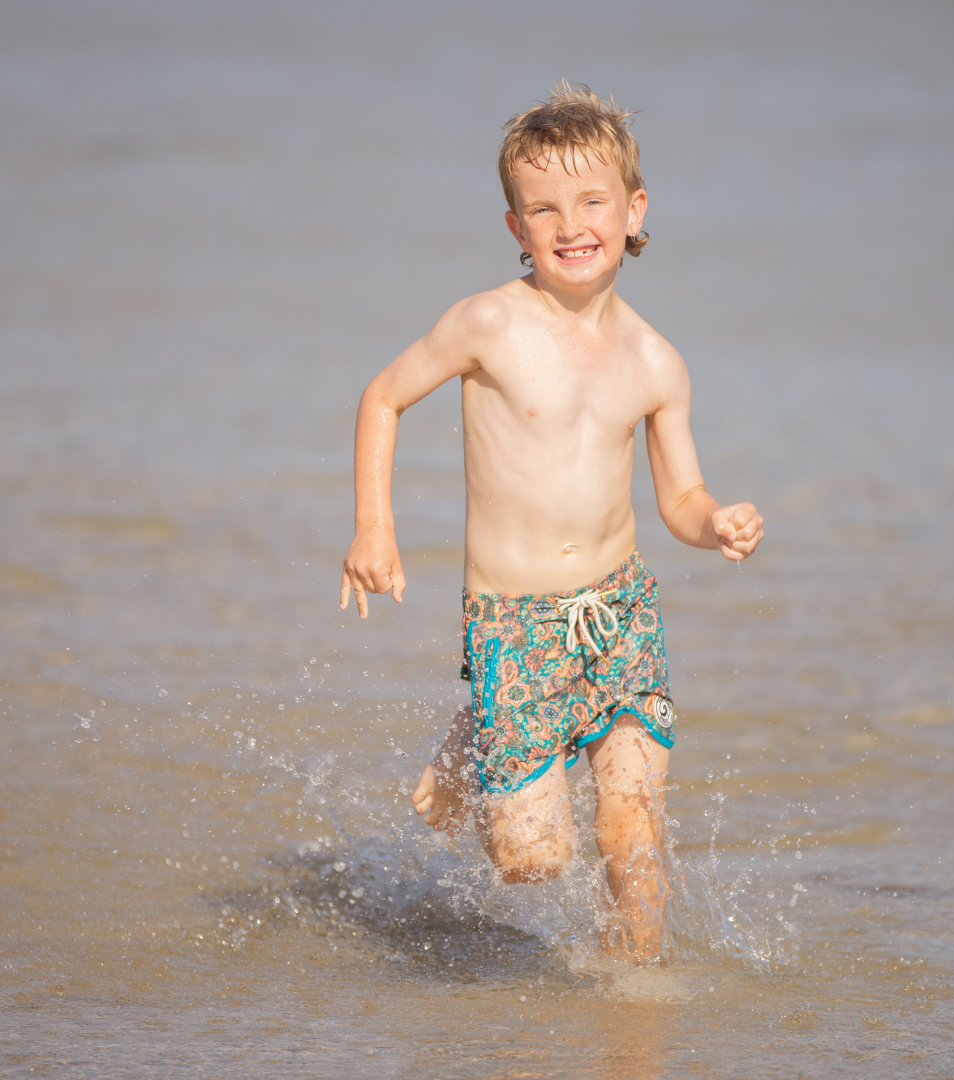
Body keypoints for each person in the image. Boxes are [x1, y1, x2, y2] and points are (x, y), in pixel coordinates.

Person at [339, 82, 763, 962]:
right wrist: (372, 528)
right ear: (516, 228)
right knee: (533, 860)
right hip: (516, 621)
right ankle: (472, 741)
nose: (572, 225)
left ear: (634, 209)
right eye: (544, 208)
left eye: (592, 201)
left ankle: (636, 1002)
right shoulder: (489, 323)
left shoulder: (656, 361)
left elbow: (678, 496)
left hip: (619, 615)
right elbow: (383, 397)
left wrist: (714, 516)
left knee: (632, 833)